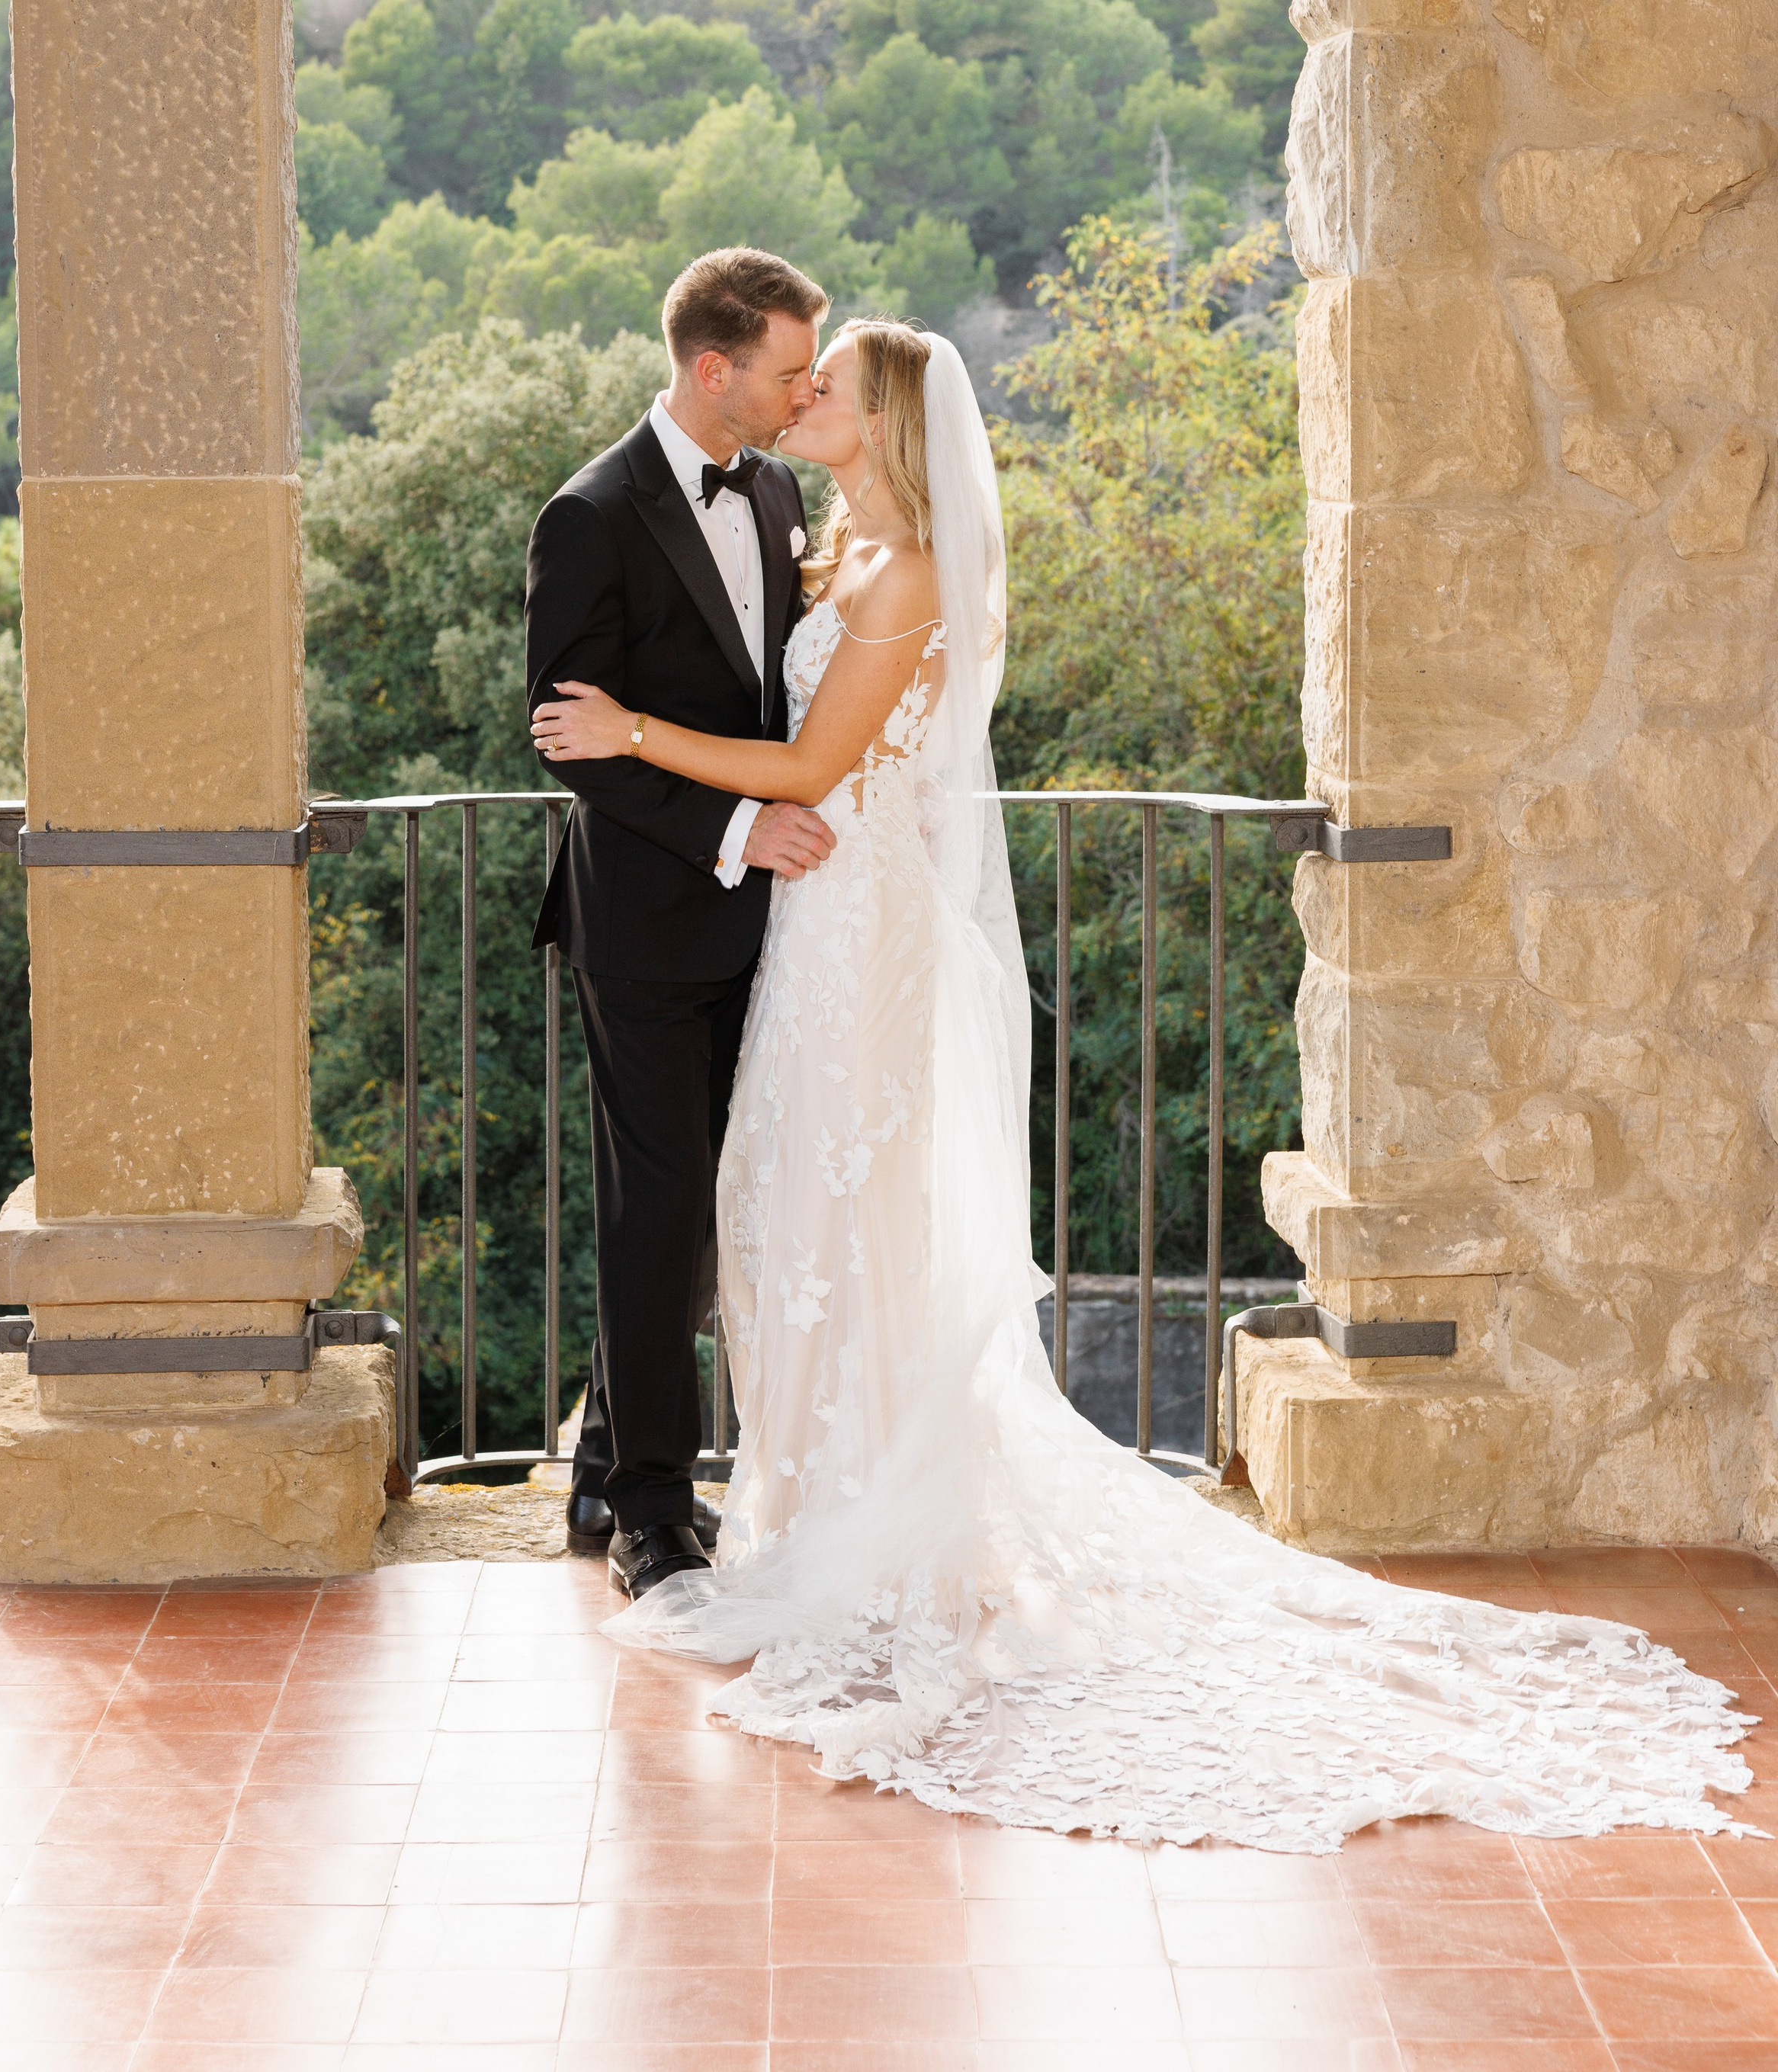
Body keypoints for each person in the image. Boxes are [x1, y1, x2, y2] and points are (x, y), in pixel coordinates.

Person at [531, 318, 1756, 1849]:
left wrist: (628, 728)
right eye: (797, 375)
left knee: (851, 1217)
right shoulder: (832, 541)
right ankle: (806, 1505)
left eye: (828, 384)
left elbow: (805, 766)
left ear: (888, 419)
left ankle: (875, 1537)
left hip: (858, 929)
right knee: (787, 1221)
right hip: (810, 925)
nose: (804, 399)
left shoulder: (903, 580)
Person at [524, 247, 836, 1602]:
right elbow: (566, 739)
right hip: (645, 926)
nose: (803, 387)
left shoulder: (773, 488)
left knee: (727, 1205)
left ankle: (606, 1450)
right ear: (714, 369)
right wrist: (728, 832)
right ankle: (652, 1509)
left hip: (779, 925)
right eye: (785, 367)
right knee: (662, 1216)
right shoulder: (588, 514)